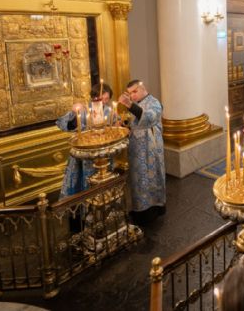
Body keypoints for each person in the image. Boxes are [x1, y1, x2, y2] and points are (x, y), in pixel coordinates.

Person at [118, 80, 166, 224]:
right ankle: (139, 210)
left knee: (150, 179)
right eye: (129, 93)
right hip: (135, 149)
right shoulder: (135, 105)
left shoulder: (154, 102)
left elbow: (149, 118)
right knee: (137, 180)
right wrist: (124, 124)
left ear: (142, 89)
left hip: (150, 150)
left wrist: (129, 105)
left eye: (134, 92)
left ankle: (152, 211)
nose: (132, 96)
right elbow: (133, 123)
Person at [56, 83, 114, 198]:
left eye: (107, 99)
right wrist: (73, 113)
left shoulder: (109, 111)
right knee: (83, 184)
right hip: (84, 155)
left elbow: (114, 128)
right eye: (102, 99)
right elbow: (63, 125)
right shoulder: (84, 109)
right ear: (94, 97)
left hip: (103, 153)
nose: (104, 102)